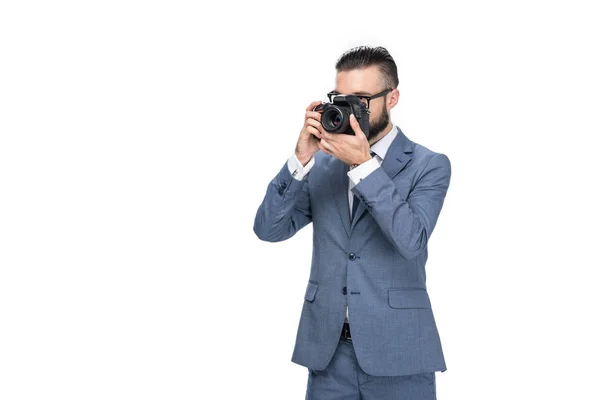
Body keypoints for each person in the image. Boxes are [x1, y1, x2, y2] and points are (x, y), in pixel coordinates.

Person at [253, 46, 451, 400]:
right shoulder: (323, 165)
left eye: (362, 98)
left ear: (392, 98)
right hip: (329, 356)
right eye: (341, 98)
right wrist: (300, 160)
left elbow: (411, 240)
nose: (350, 109)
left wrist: (363, 167)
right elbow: (269, 229)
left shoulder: (429, 165)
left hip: (400, 353)